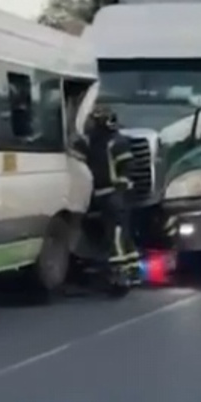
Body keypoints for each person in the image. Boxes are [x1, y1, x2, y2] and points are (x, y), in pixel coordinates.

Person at [80, 106, 141, 288]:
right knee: (122, 234)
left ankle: (119, 271)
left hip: (115, 195)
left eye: (95, 120)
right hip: (103, 195)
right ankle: (133, 271)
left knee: (116, 235)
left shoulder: (116, 142)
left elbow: (127, 167)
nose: (92, 124)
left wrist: (120, 188)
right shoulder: (96, 142)